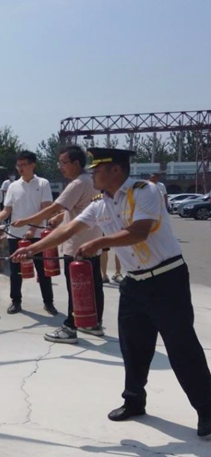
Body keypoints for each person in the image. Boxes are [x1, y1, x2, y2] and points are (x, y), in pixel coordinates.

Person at [13, 147, 211, 436]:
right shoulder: (100, 204)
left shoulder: (145, 191)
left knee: (182, 348)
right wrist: (33, 249)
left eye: (97, 169)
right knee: (132, 346)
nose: (92, 173)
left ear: (115, 170)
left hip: (167, 280)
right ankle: (134, 401)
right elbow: (68, 230)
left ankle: (207, 411)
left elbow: (140, 231)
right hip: (134, 283)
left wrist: (98, 243)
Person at [11, 144, 104, 343]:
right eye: (59, 163)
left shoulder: (77, 184)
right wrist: (62, 217)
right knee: (94, 285)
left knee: (75, 288)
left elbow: (53, 208)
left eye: (63, 163)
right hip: (93, 243)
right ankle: (93, 323)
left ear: (76, 163)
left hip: (77, 245)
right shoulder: (92, 181)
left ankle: (70, 328)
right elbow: (81, 208)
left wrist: (27, 220)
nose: (60, 167)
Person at [0, 151, 56, 316]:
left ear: (33, 165)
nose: (20, 168)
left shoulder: (43, 183)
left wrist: (33, 229)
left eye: (24, 165)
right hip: (15, 235)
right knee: (15, 271)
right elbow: (7, 210)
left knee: (42, 271)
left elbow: (46, 210)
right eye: (18, 165)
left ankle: (48, 302)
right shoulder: (13, 186)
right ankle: (16, 301)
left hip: (38, 235)